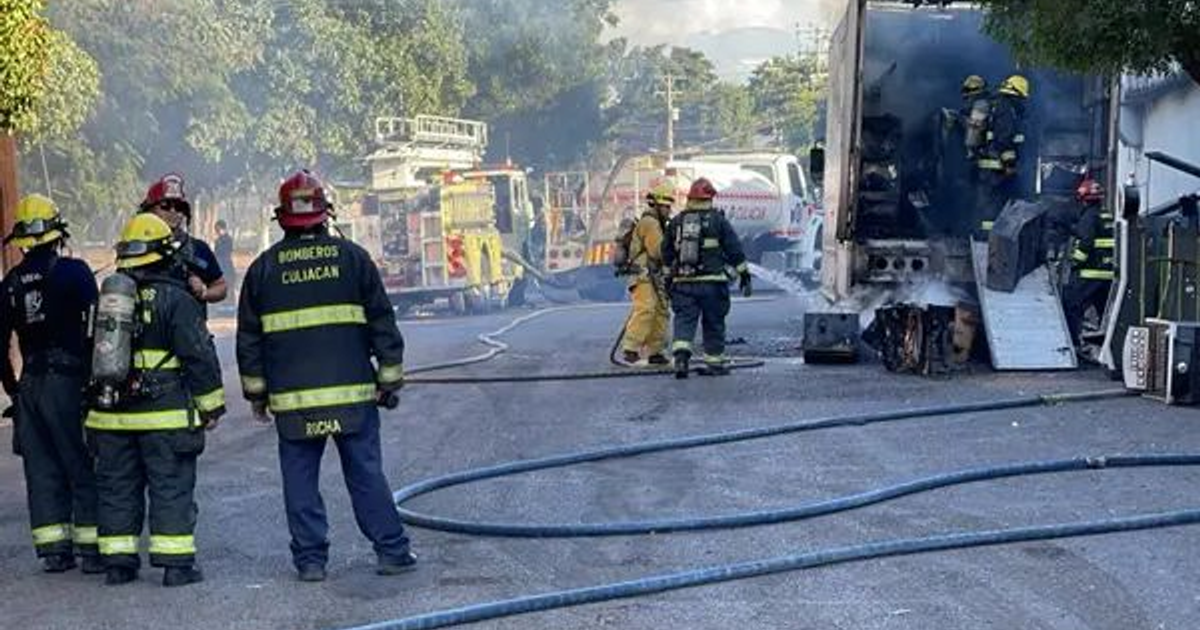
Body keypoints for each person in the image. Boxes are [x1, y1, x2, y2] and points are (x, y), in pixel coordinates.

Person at [236, 170, 412, 582]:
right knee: (366, 474)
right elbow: (382, 323)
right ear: (325, 214)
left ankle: (311, 561)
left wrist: (257, 395)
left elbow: (249, 340)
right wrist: (389, 380)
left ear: (282, 218)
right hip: (353, 399)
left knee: (300, 482)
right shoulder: (353, 259)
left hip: (293, 404)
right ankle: (392, 552)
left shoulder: (262, 270)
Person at [86, 213, 226, 587]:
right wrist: (211, 405)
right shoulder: (176, 300)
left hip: (110, 415)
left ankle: (118, 565)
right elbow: (197, 355)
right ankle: (176, 566)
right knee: (171, 486)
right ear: (165, 254)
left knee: (116, 489)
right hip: (163, 418)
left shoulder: (109, 300)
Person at [0, 194, 101, 574]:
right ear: (57, 232)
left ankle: (54, 551)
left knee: (41, 470)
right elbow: (96, 328)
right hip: (67, 381)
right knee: (80, 461)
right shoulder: (75, 273)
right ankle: (91, 551)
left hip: (30, 387)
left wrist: (13, 390)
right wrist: (94, 380)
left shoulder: (10, 283)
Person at [662, 178, 751, 379]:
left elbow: (666, 252)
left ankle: (681, 359)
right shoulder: (718, 220)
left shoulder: (677, 222)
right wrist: (744, 273)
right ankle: (714, 364)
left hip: (683, 284)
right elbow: (734, 248)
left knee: (684, 321)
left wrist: (669, 278)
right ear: (710, 198)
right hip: (713, 284)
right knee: (713, 323)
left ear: (690, 198)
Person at [139, 173, 228, 306]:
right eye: (165, 205)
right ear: (149, 210)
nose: (173, 211)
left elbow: (221, 286)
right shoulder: (136, 247)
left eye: (179, 207)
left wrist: (204, 292)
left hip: (188, 325)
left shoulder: (198, 249)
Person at [621, 184, 674, 365]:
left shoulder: (656, 222)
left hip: (654, 275)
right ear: (657, 205)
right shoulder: (650, 223)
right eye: (666, 206)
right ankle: (631, 348)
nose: (669, 210)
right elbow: (657, 251)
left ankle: (655, 352)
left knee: (661, 312)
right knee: (646, 309)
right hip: (643, 275)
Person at [1063, 178, 1115, 352]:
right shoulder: (1106, 214)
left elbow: (1085, 242)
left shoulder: (1089, 216)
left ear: (1084, 198)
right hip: (1107, 275)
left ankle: (1074, 345)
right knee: (1104, 313)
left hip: (1089, 273)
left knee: (1071, 304)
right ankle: (1106, 348)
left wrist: (1075, 262)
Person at [974, 74, 1029, 237]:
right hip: (997, 168)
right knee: (997, 206)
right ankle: (991, 239)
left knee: (986, 205)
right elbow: (1004, 138)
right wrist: (1010, 165)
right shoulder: (1006, 108)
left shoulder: (993, 104)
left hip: (987, 166)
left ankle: (984, 235)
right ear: (1016, 94)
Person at [212, 219, 236, 301]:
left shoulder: (227, 240)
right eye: (216, 230)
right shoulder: (219, 240)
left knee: (228, 288)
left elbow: (224, 252)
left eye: (217, 230)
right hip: (222, 266)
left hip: (226, 267)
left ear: (223, 228)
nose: (217, 232)